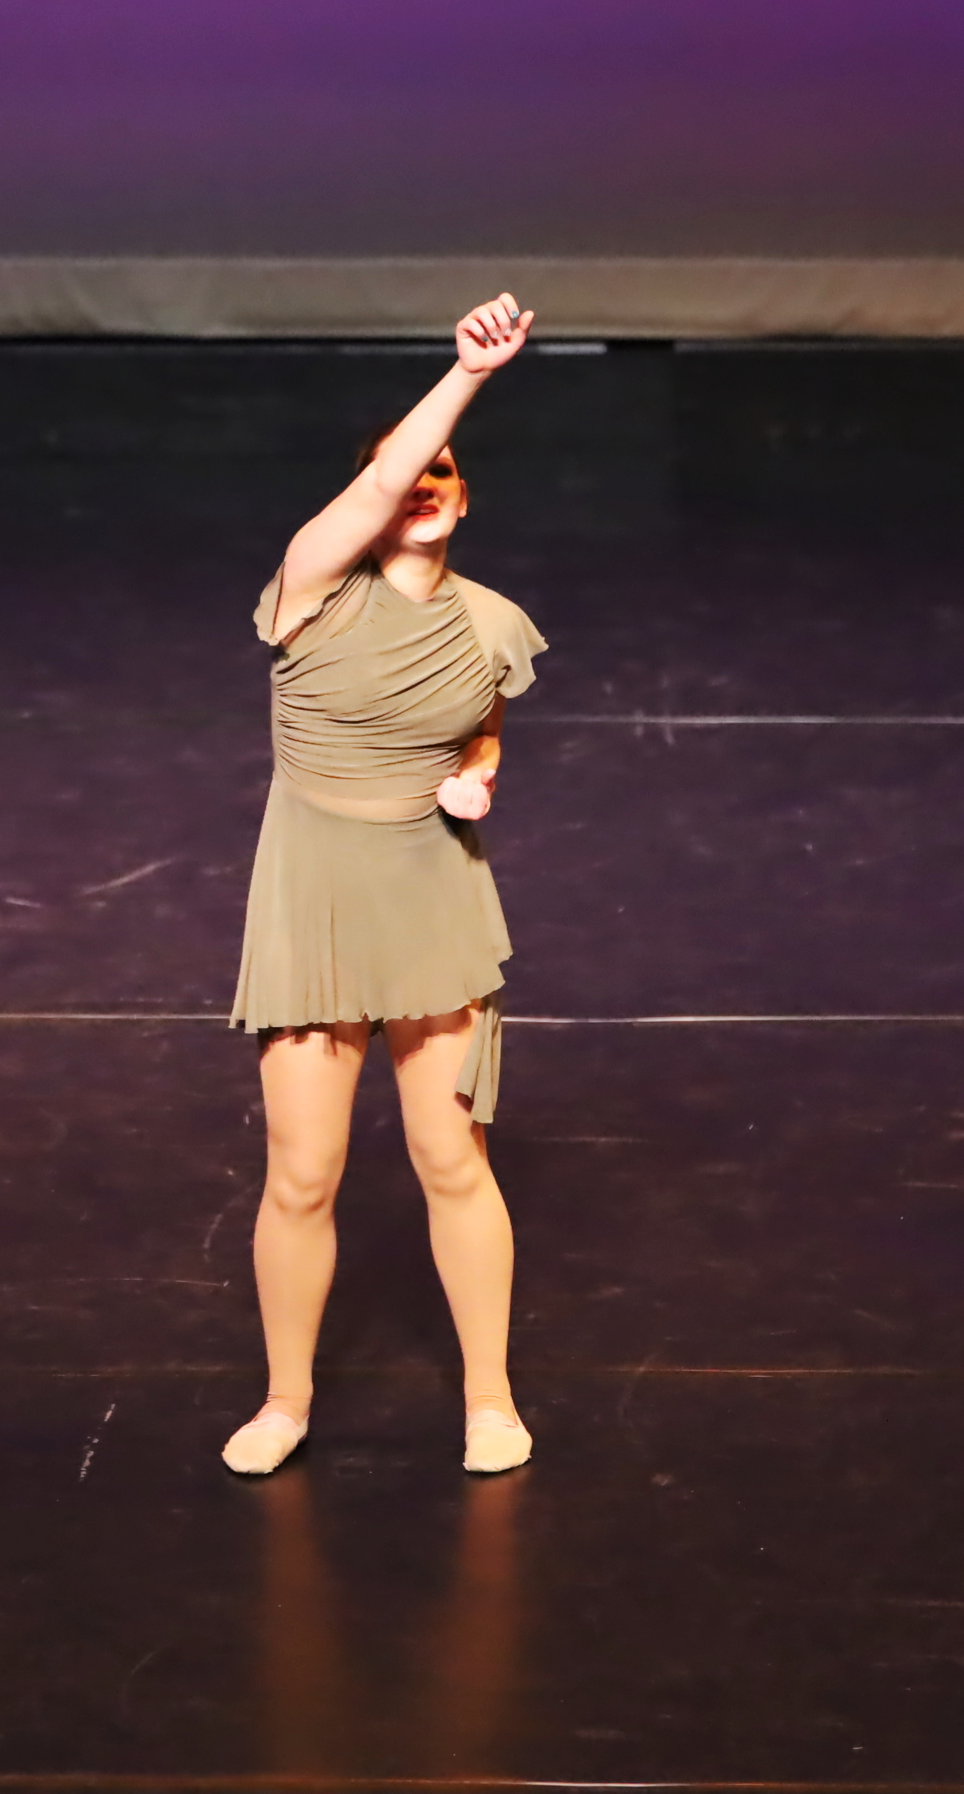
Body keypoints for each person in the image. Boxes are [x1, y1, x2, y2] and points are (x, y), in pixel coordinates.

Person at [222, 293, 548, 1477]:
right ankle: (286, 1400)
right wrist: (467, 377)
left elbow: (483, 723)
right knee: (303, 1173)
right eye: (407, 470)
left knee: (452, 1159)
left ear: (466, 498)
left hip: (430, 897)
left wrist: (480, 775)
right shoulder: (314, 584)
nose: (419, 485)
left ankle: (489, 1399)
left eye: (440, 473)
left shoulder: (492, 623)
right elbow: (373, 489)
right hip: (312, 900)